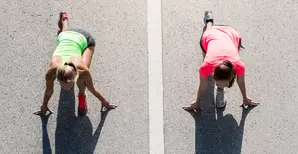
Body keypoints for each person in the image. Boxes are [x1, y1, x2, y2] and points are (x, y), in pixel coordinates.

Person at [34, 12, 117, 116]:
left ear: (75, 75)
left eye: (68, 85)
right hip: (66, 36)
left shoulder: (81, 69)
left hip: (85, 39)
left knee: (82, 79)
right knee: (64, 35)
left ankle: (81, 95)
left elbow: (91, 88)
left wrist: (104, 102)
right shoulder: (51, 71)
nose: (66, 89)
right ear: (57, 77)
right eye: (63, 85)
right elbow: (49, 90)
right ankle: (64, 19)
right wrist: (44, 105)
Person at [183, 11, 259, 111]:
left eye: (225, 84)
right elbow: (203, 84)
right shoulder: (206, 67)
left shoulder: (239, 66)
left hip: (230, 33)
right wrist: (197, 102)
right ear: (213, 73)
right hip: (211, 34)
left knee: (234, 49)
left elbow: (240, 81)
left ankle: (210, 24)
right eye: (218, 83)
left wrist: (245, 98)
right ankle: (208, 22)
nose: (221, 85)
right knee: (206, 46)